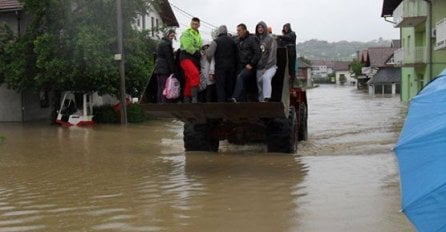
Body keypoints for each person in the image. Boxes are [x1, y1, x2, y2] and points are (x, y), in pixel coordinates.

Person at [230, 23, 261, 102]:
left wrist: (251, 64)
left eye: (239, 30)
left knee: (240, 77)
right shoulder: (237, 40)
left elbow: (258, 53)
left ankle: (235, 97)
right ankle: (242, 102)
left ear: (244, 30)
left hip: (249, 66)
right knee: (241, 83)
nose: (238, 32)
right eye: (237, 31)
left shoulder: (252, 39)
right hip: (240, 65)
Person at [206, 25, 237, 102]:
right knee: (229, 86)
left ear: (219, 32)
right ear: (226, 31)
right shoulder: (233, 41)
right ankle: (229, 103)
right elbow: (236, 54)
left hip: (220, 68)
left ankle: (221, 104)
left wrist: (210, 61)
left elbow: (209, 54)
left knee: (220, 86)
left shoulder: (216, 41)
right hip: (231, 67)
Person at [179, 17, 203, 103]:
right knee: (195, 74)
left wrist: (201, 52)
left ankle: (186, 99)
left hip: (194, 59)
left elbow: (199, 47)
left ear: (199, 25)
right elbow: (187, 47)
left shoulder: (198, 35)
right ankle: (194, 99)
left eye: (196, 24)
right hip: (186, 57)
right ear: (191, 24)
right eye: (193, 24)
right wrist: (198, 53)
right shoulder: (186, 33)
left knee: (190, 79)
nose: (194, 25)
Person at [255, 21, 277, 102]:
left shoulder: (271, 39)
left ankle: (267, 98)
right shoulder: (256, 39)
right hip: (259, 66)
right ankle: (261, 102)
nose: (260, 29)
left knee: (266, 78)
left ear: (265, 28)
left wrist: (266, 67)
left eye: (261, 27)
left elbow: (272, 54)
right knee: (259, 84)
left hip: (270, 66)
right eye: (258, 27)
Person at [154, 29, 176, 103]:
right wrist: (173, 70)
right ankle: (163, 104)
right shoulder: (166, 44)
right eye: (171, 35)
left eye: (173, 36)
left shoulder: (160, 43)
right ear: (168, 35)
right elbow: (169, 58)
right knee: (165, 87)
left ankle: (159, 103)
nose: (172, 37)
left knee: (160, 87)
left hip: (158, 67)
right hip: (164, 68)